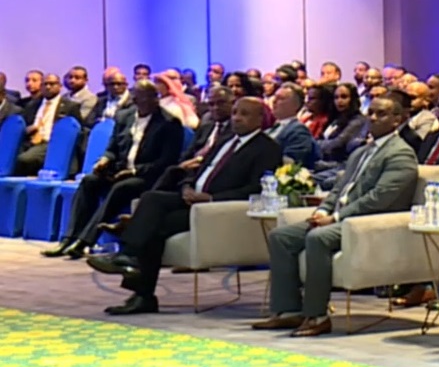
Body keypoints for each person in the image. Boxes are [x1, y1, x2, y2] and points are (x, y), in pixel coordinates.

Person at [87, 97, 282, 315]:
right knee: (151, 198)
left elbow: (256, 188)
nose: (237, 118)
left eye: (244, 114)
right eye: (235, 112)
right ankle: (130, 259)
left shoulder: (267, 148)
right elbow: (197, 170)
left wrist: (210, 198)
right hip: (192, 200)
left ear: (260, 119)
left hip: (214, 209)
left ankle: (139, 287)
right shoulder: (226, 140)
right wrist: (187, 186)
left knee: (154, 228)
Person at [255, 96, 419, 337]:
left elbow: (379, 198)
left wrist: (335, 217)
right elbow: (338, 189)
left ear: (397, 119)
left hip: (366, 221)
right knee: (281, 236)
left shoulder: (401, 154)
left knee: (318, 237)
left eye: (381, 114)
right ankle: (288, 311)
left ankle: (317, 316)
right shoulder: (361, 151)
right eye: (371, 113)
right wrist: (323, 210)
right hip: (339, 216)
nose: (373, 118)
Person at [43, 83, 185, 260]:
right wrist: (105, 159)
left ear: (155, 99)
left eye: (146, 98)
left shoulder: (169, 123)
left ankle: (84, 241)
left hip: (147, 176)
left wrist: (134, 171)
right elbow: (112, 149)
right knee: (89, 181)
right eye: (137, 97)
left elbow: (167, 161)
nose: (140, 101)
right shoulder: (124, 116)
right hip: (119, 170)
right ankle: (68, 238)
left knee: (122, 188)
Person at [265, 85, 316, 169]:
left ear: (296, 105)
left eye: (281, 98)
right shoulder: (269, 129)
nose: (274, 101)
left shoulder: (298, 130)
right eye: (275, 97)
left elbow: (293, 163)